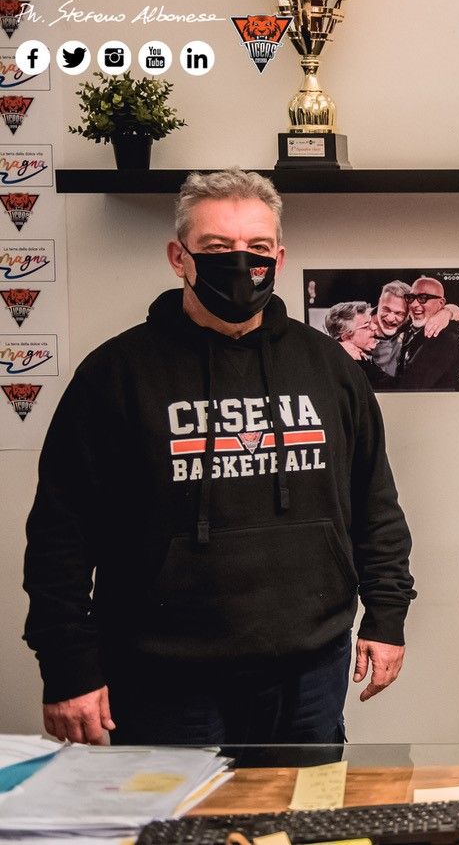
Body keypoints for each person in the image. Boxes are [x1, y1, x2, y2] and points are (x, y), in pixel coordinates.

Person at [22, 168, 416, 745]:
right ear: (178, 258)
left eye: (257, 247)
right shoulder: (116, 374)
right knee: (176, 811)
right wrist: (67, 666)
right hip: (160, 674)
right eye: (215, 247)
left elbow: (375, 503)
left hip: (309, 668)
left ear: (279, 258)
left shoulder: (328, 367)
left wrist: (386, 616)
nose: (239, 261)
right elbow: (61, 534)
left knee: (302, 808)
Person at [396, 275, 459, 391]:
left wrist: (458, 385)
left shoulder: (443, 338)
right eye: (411, 297)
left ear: (441, 303)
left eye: (423, 297)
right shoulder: (412, 328)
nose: (413, 304)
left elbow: (411, 388)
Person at [326, 300, 391, 388]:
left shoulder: (364, 358)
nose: (375, 327)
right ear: (346, 337)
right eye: (366, 326)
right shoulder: (345, 368)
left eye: (371, 322)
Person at [369, 281, 411, 378]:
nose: (390, 318)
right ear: (379, 302)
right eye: (386, 309)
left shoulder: (411, 324)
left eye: (399, 313)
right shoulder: (356, 322)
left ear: (408, 313)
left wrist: (446, 312)